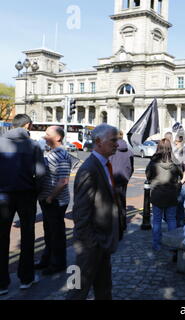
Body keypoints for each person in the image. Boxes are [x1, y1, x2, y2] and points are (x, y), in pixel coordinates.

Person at [67, 124, 124, 300]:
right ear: (98, 141)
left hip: (103, 241)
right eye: (113, 140)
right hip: (89, 245)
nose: (117, 144)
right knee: (76, 290)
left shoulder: (105, 164)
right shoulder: (88, 169)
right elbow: (81, 212)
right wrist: (90, 244)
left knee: (104, 289)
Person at [0, 114, 46, 296]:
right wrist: (36, 190)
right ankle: (26, 277)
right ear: (27, 125)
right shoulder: (33, 145)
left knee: (2, 236)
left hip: (2, 194)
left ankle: (2, 283)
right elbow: (41, 173)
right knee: (28, 234)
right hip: (26, 194)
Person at [35, 126, 72, 275]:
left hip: (55, 201)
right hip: (48, 200)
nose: (44, 137)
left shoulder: (60, 155)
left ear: (57, 138)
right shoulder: (53, 153)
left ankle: (57, 264)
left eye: (47, 134)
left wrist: (50, 198)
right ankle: (47, 259)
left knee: (56, 234)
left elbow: (63, 181)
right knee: (49, 232)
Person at [145, 139, 182, 251]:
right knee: (171, 219)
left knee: (157, 220)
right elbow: (180, 176)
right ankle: (172, 245)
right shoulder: (174, 162)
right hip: (171, 193)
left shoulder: (153, 161)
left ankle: (157, 244)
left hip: (157, 193)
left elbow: (148, 175)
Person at [109, 130, 134, 229]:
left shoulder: (111, 150)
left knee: (111, 204)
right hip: (123, 180)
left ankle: (114, 226)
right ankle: (122, 225)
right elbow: (131, 168)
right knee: (122, 202)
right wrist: (127, 177)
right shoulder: (129, 152)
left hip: (112, 179)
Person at [172, 135, 185, 228]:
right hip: (176, 184)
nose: (175, 143)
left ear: (182, 142)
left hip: (182, 185)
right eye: (175, 141)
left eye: (177, 141)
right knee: (176, 207)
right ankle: (177, 226)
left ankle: (181, 228)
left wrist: (180, 182)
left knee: (179, 208)